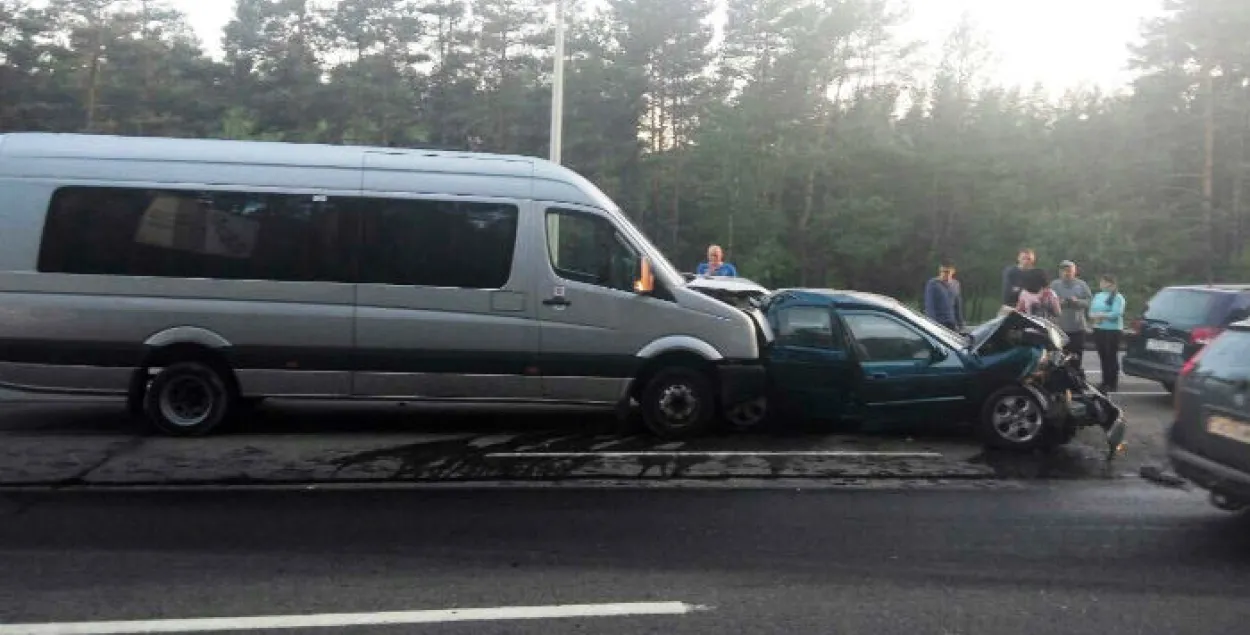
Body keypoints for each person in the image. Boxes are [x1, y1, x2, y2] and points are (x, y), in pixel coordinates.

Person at [1050, 260, 1093, 367]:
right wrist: (1058, 302)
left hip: (1077, 327)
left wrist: (1077, 301)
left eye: (1069, 271)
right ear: (1060, 272)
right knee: (1059, 358)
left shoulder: (1082, 284)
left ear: (1074, 271)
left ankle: (1076, 379)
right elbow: (1047, 302)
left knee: (1076, 357)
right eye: (1064, 271)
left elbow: (1090, 302)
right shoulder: (1054, 285)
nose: (1067, 273)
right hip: (1059, 328)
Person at [1090, 274, 1126, 393]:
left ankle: (1112, 383)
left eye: (1104, 282)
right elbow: (1091, 310)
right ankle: (1104, 381)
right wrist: (1094, 316)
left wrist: (1101, 315)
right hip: (1099, 328)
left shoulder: (1118, 297)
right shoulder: (1098, 296)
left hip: (1112, 330)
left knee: (1111, 356)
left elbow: (1116, 313)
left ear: (1110, 283)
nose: (1101, 284)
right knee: (1103, 356)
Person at [923, 260, 964, 332]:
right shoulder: (933, 284)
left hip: (952, 323)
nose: (944, 274)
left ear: (953, 271)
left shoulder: (956, 284)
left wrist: (961, 324)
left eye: (947, 272)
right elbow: (930, 306)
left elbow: (957, 306)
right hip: (939, 323)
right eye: (942, 271)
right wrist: (933, 326)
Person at [1001, 248, 1037, 313]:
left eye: (1029, 259)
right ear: (1018, 258)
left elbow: (1037, 295)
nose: (1026, 261)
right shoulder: (1010, 271)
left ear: (1033, 260)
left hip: (1029, 310)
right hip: (1010, 307)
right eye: (1023, 258)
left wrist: (1018, 289)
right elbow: (1008, 293)